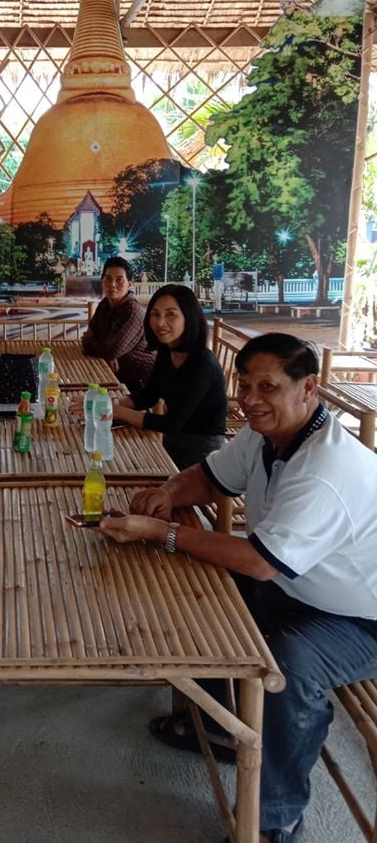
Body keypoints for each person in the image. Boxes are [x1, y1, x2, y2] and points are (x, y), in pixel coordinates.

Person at [100, 333, 377, 843]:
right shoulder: (266, 434)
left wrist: (164, 532)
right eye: (245, 385)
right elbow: (210, 478)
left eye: (267, 387)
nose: (250, 399)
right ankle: (224, 725)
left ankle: (277, 816)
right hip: (298, 587)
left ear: (308, 388)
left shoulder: (325, 469)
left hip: (359, 618)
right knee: (192, 592)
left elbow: (259, 562)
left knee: (289, 668)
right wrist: (167, 492)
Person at [112, 283, 226, 469]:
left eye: (170, 314)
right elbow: (148, 396)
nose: (160, 323)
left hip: (203, 452)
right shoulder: (167, 351)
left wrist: (116, 411)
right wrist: (106, 403)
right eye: (155, 314)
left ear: (188, 317)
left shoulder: (202, 364)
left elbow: (171, 423)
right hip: (173, 440)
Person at [80, 256, 155, 395]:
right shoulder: (104, 305)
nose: (112, 284)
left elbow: (110, 349)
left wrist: (104, 351)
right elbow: (89, 335)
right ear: (102, 280)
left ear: (130, 283)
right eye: (108, 278)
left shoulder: (133, 311)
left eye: (119, 280)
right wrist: (107, 352)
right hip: (112, 372)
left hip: (140, 381)